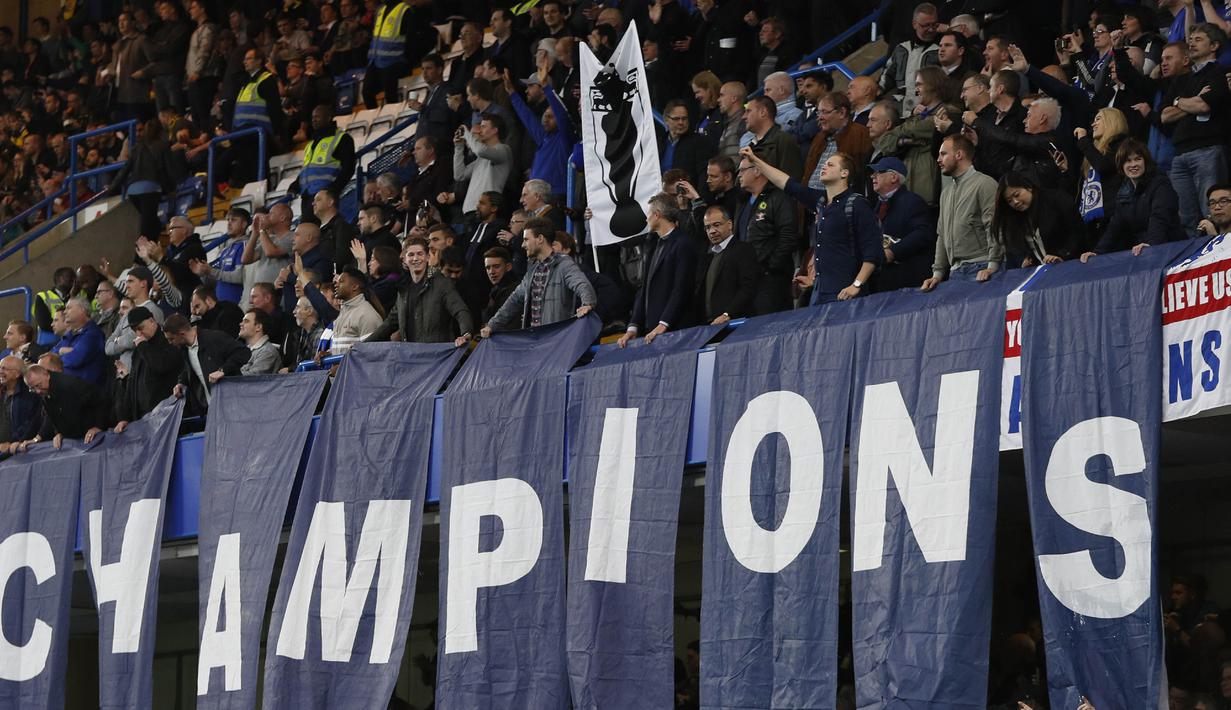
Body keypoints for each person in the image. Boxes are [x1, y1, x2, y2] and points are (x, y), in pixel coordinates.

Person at [741, 147, 882, 305]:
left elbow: (873, 250)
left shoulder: (857, 204)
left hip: (845, 291)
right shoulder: (821, 201)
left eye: (831, 165)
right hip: (819, 291)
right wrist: (756, 161)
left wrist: (856, 285)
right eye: (824, 164)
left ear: (845, 173)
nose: (824, 167)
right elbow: (786, 183)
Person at [1163, 23, 1230, 230]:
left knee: (1213, 211)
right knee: (1185, 218)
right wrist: (1191, 101)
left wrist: (1180, 102)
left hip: (1208, 149)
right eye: (1190, 40)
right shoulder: (1182, 79)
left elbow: (1202, 106)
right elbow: (1164, 116)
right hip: (1180, 154)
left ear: (1214, 45)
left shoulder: (1221, 73)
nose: (1191, 43)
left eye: (1198, 39)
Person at [483, 218, 597, 335]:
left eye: (526, 240)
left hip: (556, 340)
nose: (523, 245)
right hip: (535, 342)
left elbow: (582, 284)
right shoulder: (532, 269)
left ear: (540, 239)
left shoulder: (564, 264)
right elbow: (513, 301)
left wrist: (587, 304)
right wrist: (492, 325)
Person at [1082, 140, 1187, 259]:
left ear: (1146, 162)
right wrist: (1097, 252)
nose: (1133, 165)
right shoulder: (1123, 193)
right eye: (1128, 161)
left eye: (1138, 159)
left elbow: (1160, 217)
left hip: (1172, 250)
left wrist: (1152, 245)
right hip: (1145, 252)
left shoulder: (1160, 184)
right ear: (1121, 166)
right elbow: (1114, 228)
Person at [922, 134, 1002, 290]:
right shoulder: (946, 192)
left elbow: (994, 226)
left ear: (959, 155)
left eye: (943, 154)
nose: (938, 159)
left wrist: (993, 265)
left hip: (982, 267)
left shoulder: (984, 183)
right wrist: (937, 274)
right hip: (955, 272)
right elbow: (942, 235)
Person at [618, 194, 696, 346]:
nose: (646, 219)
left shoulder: (683, 244)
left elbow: (681, 288)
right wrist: (633, 327)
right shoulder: (652, 245)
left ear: (657, 214)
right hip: (652, 332)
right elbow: (644, 288)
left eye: (648, 214)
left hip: (676, 331)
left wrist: (664, 323)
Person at [369, 237, 475, 345]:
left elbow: (460, 310)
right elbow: (390, 323)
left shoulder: (442, 283)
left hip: (437, 356)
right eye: (411, 255)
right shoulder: (403, 289)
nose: (415, 258)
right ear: (404, 259)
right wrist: (364, 344)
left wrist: (466, 333)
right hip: (410, 355)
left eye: (420, 254)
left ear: (428, 257)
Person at [734, 152, 796, 314]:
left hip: (771, 281)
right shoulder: (742, 202)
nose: (738, 174)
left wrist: (771, 267)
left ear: (757, 170)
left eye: (742, 170)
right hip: (748, 281)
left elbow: (788, 236)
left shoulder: (779, 197)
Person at [867, 158, 936, 292]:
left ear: (893, 177)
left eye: (879, 172)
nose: (873, 176)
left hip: (907, 282)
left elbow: (923, 233)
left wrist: (893, 252)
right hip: (884, 282)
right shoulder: (877, 207)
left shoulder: (912, 201)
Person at [991, 172, 1085, 269]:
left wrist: (1062, 255)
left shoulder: (1056, 200)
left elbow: (1078, 232)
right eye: (1009, 201)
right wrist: (1030, 259)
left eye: (1017, 195)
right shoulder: (1015, 219)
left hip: (1073, 265)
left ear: (1029, 187)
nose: (1015, 202)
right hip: (1044, 272)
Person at [164, 314, 249, 414]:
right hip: (210, 410)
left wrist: (222, 370)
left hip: (234, 405)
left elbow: (243, 352)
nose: (169, 343)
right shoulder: (184, 350)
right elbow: (188, 370)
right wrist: (181, 383)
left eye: (171, 339)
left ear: (182, 334)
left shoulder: (214, 338)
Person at [506, 71, 574, 195]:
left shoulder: (565, 138)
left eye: (550, 117)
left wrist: (546, 87)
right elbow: (527, 118)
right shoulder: (544, 138)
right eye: (545, 116)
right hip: (535, 198)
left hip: (555, 197)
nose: (545, 119)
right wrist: (512, 94)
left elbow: (561, 114)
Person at [109, 118, 178, 239]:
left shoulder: (137, 148)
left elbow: (124, 170)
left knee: (152, 222)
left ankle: (151, 249)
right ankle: (142, 254)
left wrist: (112, 189)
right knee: (147, 227)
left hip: (133, 191)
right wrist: (171, 189)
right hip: (150, 189)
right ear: (161, 132)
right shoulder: (163, 145)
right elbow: (167, 169)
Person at [113, 306, 182, 426]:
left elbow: (160, 366)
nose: (138, 334)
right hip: (141, 419)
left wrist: (143, 346)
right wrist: (125, 418)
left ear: (151, 320)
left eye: (141, 328)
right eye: (135, 330)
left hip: (165, 416)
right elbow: (132, 384)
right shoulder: (139, 350)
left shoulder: (168, 340)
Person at [694, 204, 759, 324]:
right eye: (708, 227)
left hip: (736, 324)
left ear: (729, 225)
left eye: (716, 225)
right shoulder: (707, 257)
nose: (712, 231)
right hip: (710, 326)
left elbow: (748, 287)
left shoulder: (743, 249)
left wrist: (727, 314)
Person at [292, 105, 356, 221]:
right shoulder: (311, 143)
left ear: (329, 117)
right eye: (312, 117)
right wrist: (296, 185)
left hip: (324, 197)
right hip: (306, 196)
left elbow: (349, 167)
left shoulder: (342, 138)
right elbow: (307, 169)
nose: (314, 120)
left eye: (317, 117)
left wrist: (333, 190)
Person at [803, 92, 873, 194]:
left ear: (842, 113)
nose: (819, 118)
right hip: (811, 202)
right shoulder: (819, 137)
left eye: (824, 112)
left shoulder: (860, 135)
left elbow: (860, 175)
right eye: (818, 113)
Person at [23, 365, 111, 446]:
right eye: (32, 389)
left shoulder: (69, 385)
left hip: (95, 437)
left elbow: (101, 400)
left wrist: (98, 426)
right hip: (77, 439)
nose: (37, 391)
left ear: (47, 375)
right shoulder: (45, 391)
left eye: (38, 385)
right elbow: (53, 415)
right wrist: (59, 433)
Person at [880, 2, 941, 117]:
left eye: (934, 25)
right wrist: (877, 90)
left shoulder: (941, 50)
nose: (931, 29)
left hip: (927, 109)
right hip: (899, 107)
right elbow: (886, 77)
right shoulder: (901, 48)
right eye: (926, 25)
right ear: (914, 24)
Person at [106, 267, 166, 369]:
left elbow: (132, 339)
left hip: (142, 374)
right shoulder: (126, 314)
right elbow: (107, 347)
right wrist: (122, 341)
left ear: (143, 283)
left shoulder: (153, 311)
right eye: (125, 282)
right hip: (124, 375)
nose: (126, 286)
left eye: (130, 281)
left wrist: (118, 340)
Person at [194, 206, 250, 305]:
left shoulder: (245, 246)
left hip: (236, 304)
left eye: (234, 220)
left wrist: (211, 271)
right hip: (221, 304)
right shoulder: (225, 250)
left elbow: (240, 277)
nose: (229, 223)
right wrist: (203, 273)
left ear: (244, 224)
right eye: (228, 220)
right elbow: (218, 277)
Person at [362, 0, 411, 109]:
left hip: (394, 61)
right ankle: (374, 118)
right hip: (375, 61)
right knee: (366, 92)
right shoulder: (380, 10)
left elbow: (411, 39)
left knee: (390, 95)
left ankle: (391, 115)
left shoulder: (404, 10)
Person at [741, 96, 803, 180]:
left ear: (763, 112)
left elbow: (791, 182)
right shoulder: (750, 147)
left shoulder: (784, 141)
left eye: (748, 111)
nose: (743, 117)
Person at [51, 297, 106, 385]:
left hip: (86, 393)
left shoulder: (93, 334)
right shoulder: (70, 335)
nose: (65, 312)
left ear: (82, 310)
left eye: (69, 308)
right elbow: (51, 356)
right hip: (68, 390)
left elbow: (75, 359)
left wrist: (60, 354)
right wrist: (64, 351)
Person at [280, 222, 333, 313]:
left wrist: (289, 277)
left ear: (308, 238)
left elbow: (314, 285)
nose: (293, 238)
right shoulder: (297, 260)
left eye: (296, 235)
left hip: (309, 314)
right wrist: (281, 282)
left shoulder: (321, 260)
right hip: (294, 315)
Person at [659, 99, 710, 185]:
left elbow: (703, 176)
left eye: (684, 118)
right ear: (666, 120)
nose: (681, 122)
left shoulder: (699, 143)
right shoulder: (659, 143)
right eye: (676, 119)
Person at [0, 356, 43, 454]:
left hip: (17, 449)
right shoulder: (1, 392)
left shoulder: (29, 394)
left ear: (17, 374)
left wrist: (12, 442)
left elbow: (30, 423)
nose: (0, 371)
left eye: (4, 368)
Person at [32, 267, 75, 346]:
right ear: (59, 279)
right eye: (69, 276)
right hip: (48, 344)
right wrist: (66, 328)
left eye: (74, 277)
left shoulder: (75, 296)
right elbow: (43, 323)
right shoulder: (42, 296)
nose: (73, 279)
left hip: (70, 341)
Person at [283, 296, 324, 371]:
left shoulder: (320, 334)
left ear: (309, 311)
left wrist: (290, 370)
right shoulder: (302, 334)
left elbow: (314, 366)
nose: (294, 312)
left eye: (297, 307)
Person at [480, 247, 519, 323]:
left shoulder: (515, 291)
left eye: (496, 266)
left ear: (508, 267)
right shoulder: (495, 290)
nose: (491, 272)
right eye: (488, 268)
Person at [237, 309, 280, 376]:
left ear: (258, 327)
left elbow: (253, 378)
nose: (240, 324)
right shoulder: (243, 351)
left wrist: (226, 373)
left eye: (246, 321)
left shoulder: (267, 351)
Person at [716, 81, 748, 158]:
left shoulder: (745, 121)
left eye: (722, 95)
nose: (718, 100)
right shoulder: (728, 123)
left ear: (734, 98)